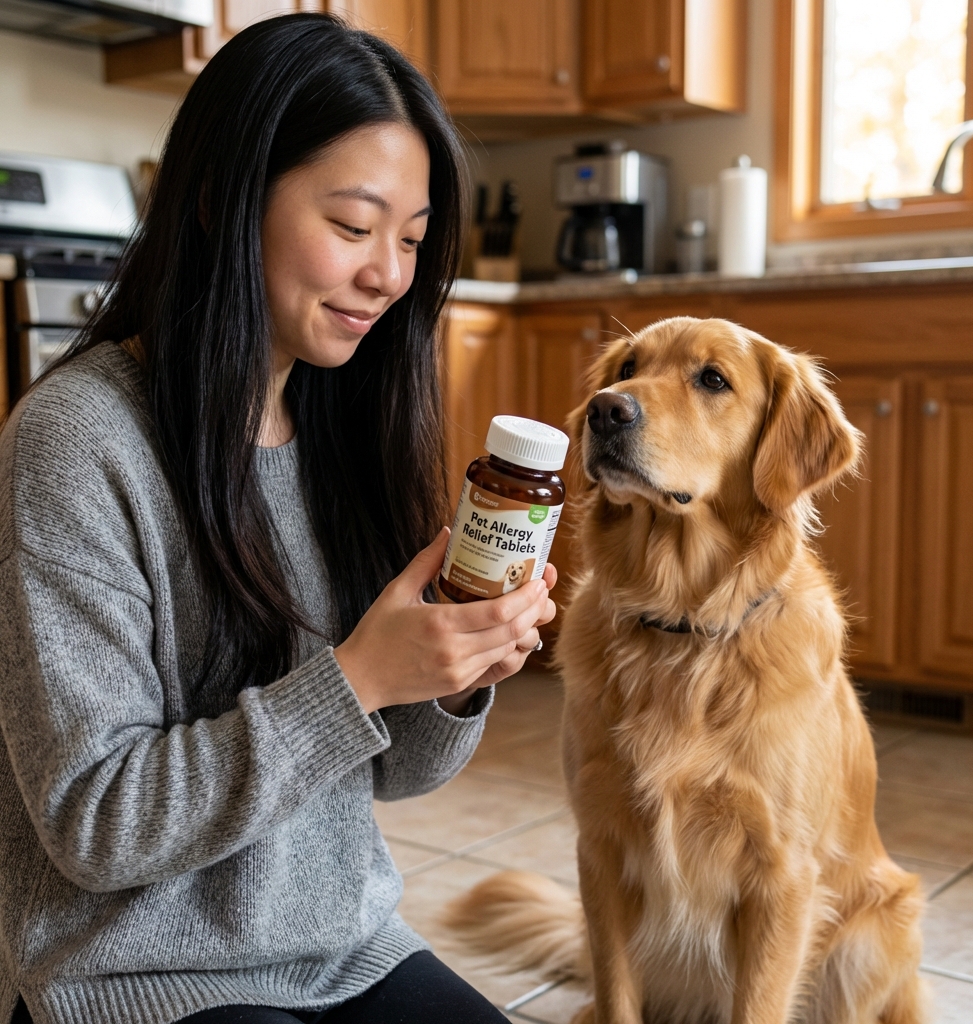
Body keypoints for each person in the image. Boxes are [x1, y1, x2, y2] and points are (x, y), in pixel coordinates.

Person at [0, 14, 556, 1024]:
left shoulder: (346, 423)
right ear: (223, 200)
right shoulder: (76, 441)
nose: (389, 274)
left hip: (343, 947)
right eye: (352, 227)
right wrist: (361, 676)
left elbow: (395, 769)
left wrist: (453, 670)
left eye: (411, 240)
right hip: (136, 980)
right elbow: (94, 822)